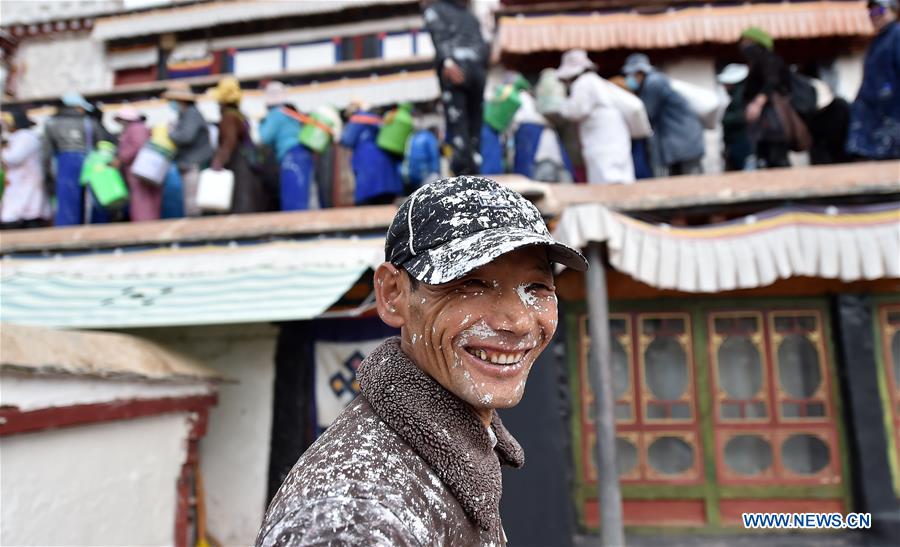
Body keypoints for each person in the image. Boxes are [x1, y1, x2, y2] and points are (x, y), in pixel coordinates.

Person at [257, 176, 587, 545]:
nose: (519, 322)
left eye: (537, 288)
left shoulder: (455, 453)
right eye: (469, 284)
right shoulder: (355, 519)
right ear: (393, 293)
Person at [423, 0, 489, 175]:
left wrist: (447, 60)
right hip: (477, 69)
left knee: (459, 123)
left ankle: (464, 171)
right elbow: (483, 44)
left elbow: (439, 35)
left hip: (456, 67)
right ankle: (473, 167)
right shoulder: (469, 15)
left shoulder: (435, 9)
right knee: (474, 124)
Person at [557, 49, 635, 184]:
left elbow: (577, 111)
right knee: (621, 177)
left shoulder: (583, 83)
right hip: (616, 135)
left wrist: (561, 106)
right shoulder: (598, 82)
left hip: (601, 139)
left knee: (605, 179)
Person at [622, 53, 705, 176]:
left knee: (690, 184)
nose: (629, 78)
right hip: (680, 142)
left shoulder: (653, 82)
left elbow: (646, 113)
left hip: (682, 142)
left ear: (639, 72)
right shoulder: (654, 81)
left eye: (631, 74)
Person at [846, 0, 900, 160]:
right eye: (871, 13)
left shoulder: (897, 35)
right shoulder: (878, 41)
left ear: (893, 11)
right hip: (876, 118)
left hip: (892, 116)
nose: (874, 17)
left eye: (880, 11)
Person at [43, 91, 104, 226]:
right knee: (91, 200)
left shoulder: (51, 123)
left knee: (67, 204)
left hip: (64, 164)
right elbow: (102, 145)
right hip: (90, 163)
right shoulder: (90, 123)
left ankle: (66, 235)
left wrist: (47, 177)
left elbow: (46, 153)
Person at [738, 27, 794, 168]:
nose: (744, 46)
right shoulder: (757, 62)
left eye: (747, 42)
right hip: (765, 122)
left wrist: (758, 103)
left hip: (773, 118)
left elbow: (772, 81)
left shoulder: (769, 59)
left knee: (776, 155)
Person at [210, 76, 265, 214]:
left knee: (240, 201)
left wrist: (218, 161)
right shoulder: (239, 115)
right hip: (245, 162)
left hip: (238, 164)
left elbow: (230, 141)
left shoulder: (229, 117)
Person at [259, 81, 315, 211]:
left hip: (291, 156)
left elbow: (263, 137)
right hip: (304, 154)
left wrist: (260, 124)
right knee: (304, 197)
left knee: (292, 201)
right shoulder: (290, 112)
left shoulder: (276, 114)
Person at [163, 82, 213, 217]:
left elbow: (186, 137)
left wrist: (170, 133)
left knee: (192, 204)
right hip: (188, 163)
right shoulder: (184, 115)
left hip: (194, 163)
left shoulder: (192, 114)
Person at [1, 108, 50, 229]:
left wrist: (3, 152)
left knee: (26, 208)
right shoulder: (19, 137)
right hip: (20, 180)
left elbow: (14, 157)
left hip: (26, 179)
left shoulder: (25, 137)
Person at [113, 107, 156, 221]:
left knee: (142, 200)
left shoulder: (136, 129)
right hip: (137, 169)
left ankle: (143, 225)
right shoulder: (136, 128)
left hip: (139, 170)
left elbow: (137, 146)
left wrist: (121, 158)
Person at [717, 63, 753, 171]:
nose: (724, 87)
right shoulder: (737, 97)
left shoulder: (741, 97)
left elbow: (741, 117)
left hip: (742, 146)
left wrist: (725, 120)